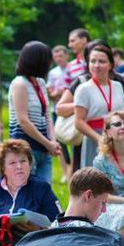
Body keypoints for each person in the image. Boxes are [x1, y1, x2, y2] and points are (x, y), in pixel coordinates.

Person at [9, 42, 62, 183]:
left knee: (45, 191)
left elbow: (46, 115)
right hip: (24, 148)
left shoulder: (40, 82)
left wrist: (53, 141)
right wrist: (48, 143)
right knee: (26, 194)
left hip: (43, 148)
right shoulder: (19, 84)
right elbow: (23, 121)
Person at [48, 45, 73, 182]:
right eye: (56, 56)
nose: (59, 58)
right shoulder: (52, 73)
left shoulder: (72, 70)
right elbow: (50, 93)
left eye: (61, 56)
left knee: (74, 138)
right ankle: (65, 171)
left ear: (67, 56)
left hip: (72, 109)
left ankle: (73, 168)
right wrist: (55, 93)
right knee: (60, 141)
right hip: (56, 109)